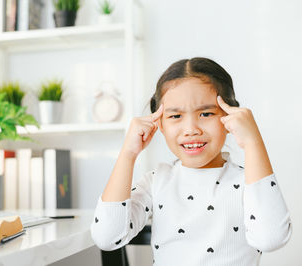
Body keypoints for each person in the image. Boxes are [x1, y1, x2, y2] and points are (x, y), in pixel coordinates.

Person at [90, 57, 292, 265]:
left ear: (230, 117)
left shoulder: (248, 182)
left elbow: (271, 239)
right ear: (159, 124)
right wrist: (128, 153)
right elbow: (107, 237)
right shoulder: (156, 182)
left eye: (206, 113)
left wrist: (253, 143)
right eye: (175, 116)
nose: (191, 129)